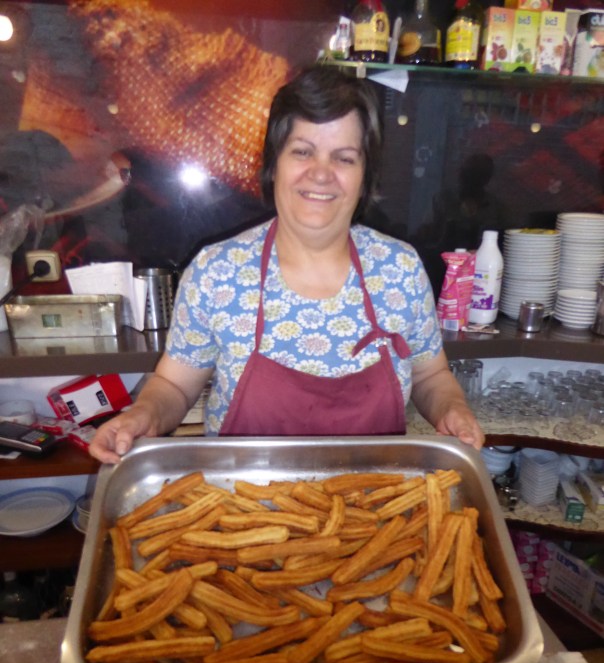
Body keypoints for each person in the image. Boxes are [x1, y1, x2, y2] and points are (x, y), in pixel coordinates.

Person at [89, 65, 484, 464]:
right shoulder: (216, 272)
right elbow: (174, 386)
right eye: (302, 151)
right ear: (274, 163)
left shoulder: (400, 269)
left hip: (373, 515)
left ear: (365, 177)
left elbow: (430, 375)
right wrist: (143, 414)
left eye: (344, 158)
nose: (321, 174)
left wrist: (452, 409)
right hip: (246, 512)